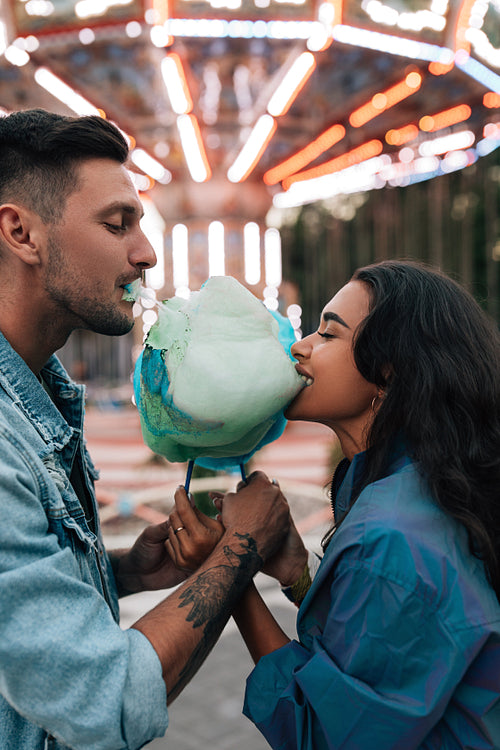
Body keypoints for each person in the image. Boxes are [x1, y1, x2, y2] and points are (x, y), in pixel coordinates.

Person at [0, 108, 292, 750]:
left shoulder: (40, 395)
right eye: (117, 224)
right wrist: (239, 549)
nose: (147, 251)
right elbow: (103, 699)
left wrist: (125, 572)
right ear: (21, 232)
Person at [168, 260, 500, 749]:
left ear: (387, 371)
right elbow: (375, 651)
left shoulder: (391, 538)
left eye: (327, 334)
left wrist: (229, 568)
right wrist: (297, 575)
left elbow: (323, 733)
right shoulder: (416, 488)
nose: (299, 347)